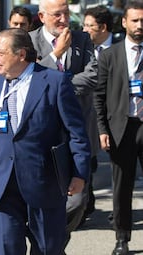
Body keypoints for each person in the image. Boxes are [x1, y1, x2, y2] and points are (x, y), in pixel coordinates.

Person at [0, 27, 90, 255]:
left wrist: (80, 173)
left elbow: (76, 132)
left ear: (21, 54)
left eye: (1, 52)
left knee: (47, 249)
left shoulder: (55, 81)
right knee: (5, 249)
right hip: (0, 183)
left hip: (43, 181)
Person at [29, 0, 98, 248]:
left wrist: (58, 87)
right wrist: (56, 55)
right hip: (41, 135)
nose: (63, 19)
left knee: (77, 201)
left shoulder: (82, 39)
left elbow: (92, 76)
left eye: (66, 13)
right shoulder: (29, 41)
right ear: (41, 16)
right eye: (57, 14)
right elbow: (28, 79)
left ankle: (53, 242)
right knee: (42, 199)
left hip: (74, 133)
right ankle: (48, 245)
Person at [94, 1, 143, 254]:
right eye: (135, 20)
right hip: (121, 128)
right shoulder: (109, 55)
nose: (139, 25)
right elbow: (99, 96)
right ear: (124, 22)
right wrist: (103, 129)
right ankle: (122, 238)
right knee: (121, 186)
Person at [82, 5, 122, 223]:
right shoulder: (82, 48)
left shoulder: (120, 48)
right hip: (88, 114)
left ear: (103, 27)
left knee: (119, 165)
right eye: (84, 25)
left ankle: (119, 209)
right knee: (87, 160)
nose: (85, 30)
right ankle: (86, 204)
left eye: (90, 26)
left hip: (117, 115)